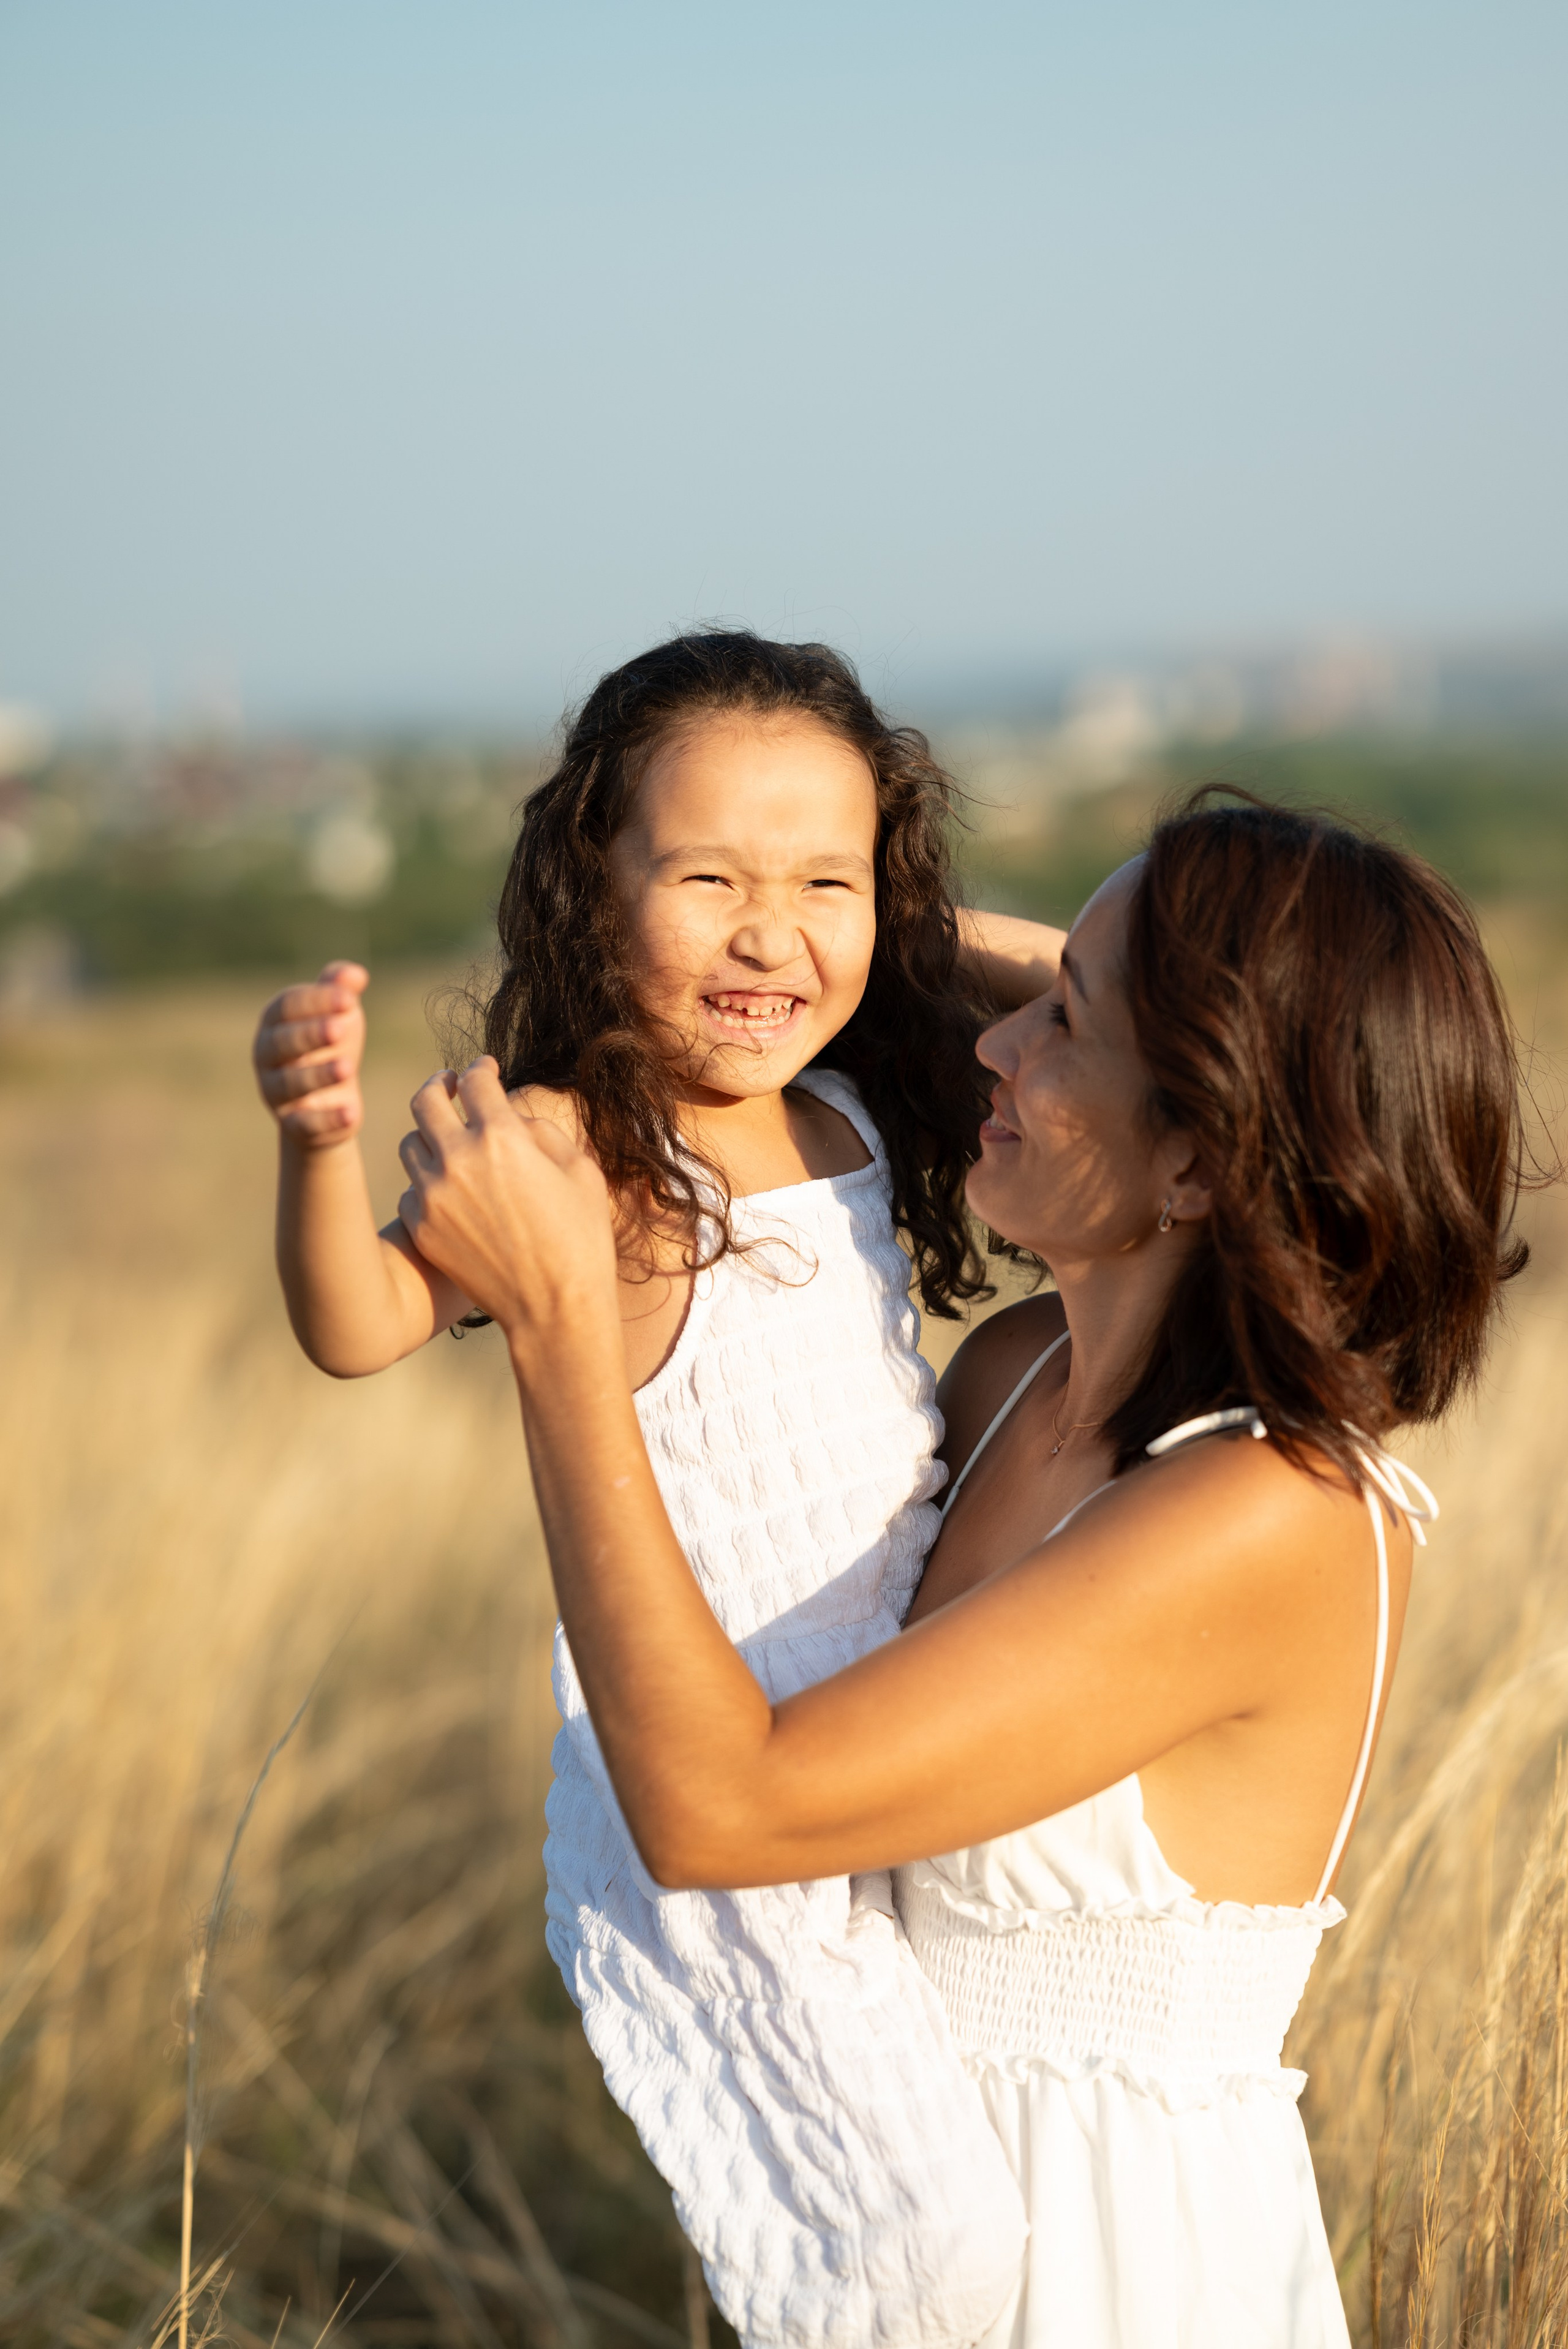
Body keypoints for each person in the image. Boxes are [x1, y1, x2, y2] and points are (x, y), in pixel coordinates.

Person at [393, 794, 1531, 2348]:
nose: (996, 1046)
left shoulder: (1270, 1507)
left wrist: (560, 1334)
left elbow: (726, 1808)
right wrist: (840, 939)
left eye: (1061, 1023)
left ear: (1200, 1156)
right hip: (899, 2228)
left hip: (1124, 2279)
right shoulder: (1014, 1375)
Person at [251, 633, 1069, 2348]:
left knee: (977, 2221)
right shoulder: (578, 1150)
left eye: (825, 879)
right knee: (919, 2262)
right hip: (715, 1777)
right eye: (708, 877)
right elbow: (360, 1324)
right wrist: (316, 1146)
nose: (771, 933)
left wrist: (900, 934)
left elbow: (1109, 991)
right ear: (586, 887)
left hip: (881, 1756)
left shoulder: (854, 1100)